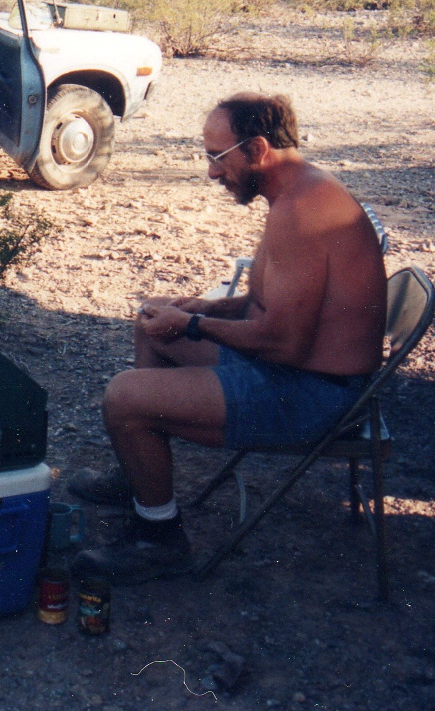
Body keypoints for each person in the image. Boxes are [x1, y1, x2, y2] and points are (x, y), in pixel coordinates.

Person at [70, 92, 387, 584]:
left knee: (124, 397)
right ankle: (139, 476)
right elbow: (275, 304)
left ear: (258, 148)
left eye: (217, 157)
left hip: (315, 395)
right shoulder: (298, 194)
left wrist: (193, 325)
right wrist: (207, 308)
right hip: (301, 373)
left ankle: (159, 539)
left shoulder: (302, 214)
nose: (213, 173)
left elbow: (284, 344)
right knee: (151, 321)